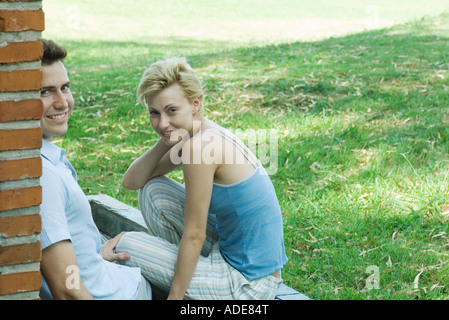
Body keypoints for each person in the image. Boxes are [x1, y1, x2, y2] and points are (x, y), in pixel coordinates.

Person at [117, 57, 288, 300]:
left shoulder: (200, 147)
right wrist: (166, 136)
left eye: (171, 110)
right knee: (153, 191)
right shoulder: (198, 133)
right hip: (233, 254)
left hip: (248, 284)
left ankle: (187, 284)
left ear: (195, 104)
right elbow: (132, 182)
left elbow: (195, 234)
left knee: (124, 246)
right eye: (154, 113)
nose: (162, 121)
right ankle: (191, 273)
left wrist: (175, 298)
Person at [38, 39, 152, 300]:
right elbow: (68, 290)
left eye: (64, 88)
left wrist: (89, 257)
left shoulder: (42, 161)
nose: (62, 102)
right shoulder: (44, 178)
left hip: (109, 273)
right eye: (45, 92)